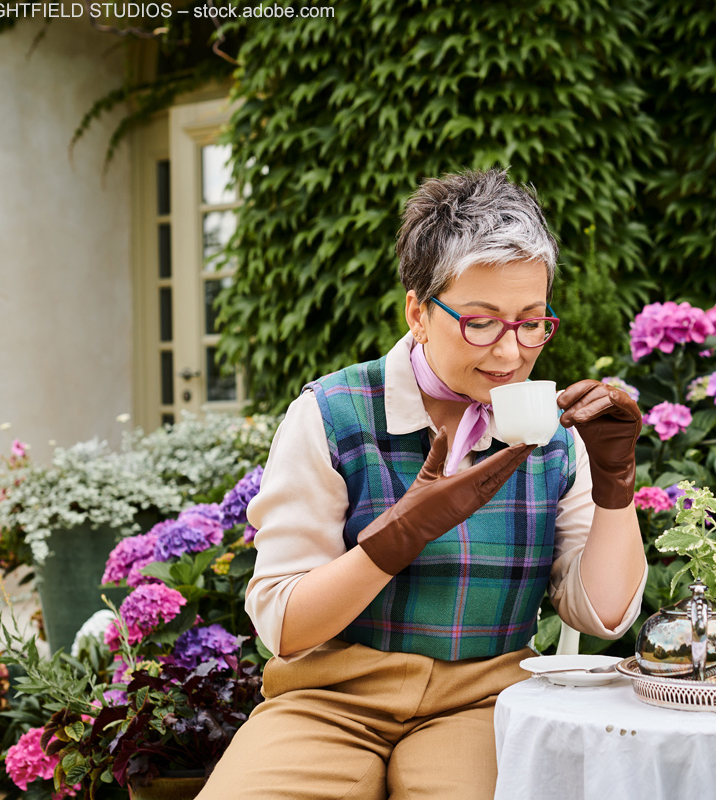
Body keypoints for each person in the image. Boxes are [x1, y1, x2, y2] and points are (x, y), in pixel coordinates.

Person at [197, 168, 648, 800]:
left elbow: (601, 613)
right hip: (329, 699)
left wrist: (614, 482)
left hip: (481, 698)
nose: (511, 352)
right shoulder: (332, 415)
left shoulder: (552, 435)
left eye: (530, 321)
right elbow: (284, 626)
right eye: (481, 321)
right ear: (418, 312)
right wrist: (396, 540)